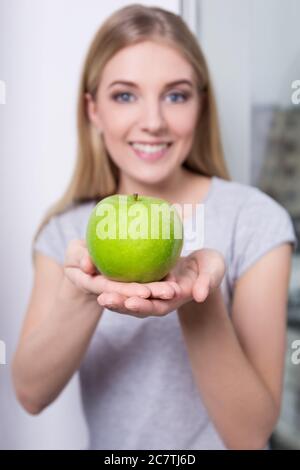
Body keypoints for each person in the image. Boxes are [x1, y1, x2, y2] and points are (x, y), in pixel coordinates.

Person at [12, 4, 297, 450]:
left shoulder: (256, 221)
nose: (153, 121)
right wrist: (84, 292)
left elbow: (250, 436)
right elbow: (29, 394)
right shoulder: (66, 231)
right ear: (93, 110)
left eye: (176, 95)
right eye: (125, 95)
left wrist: (197, 300)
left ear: (201, 106)